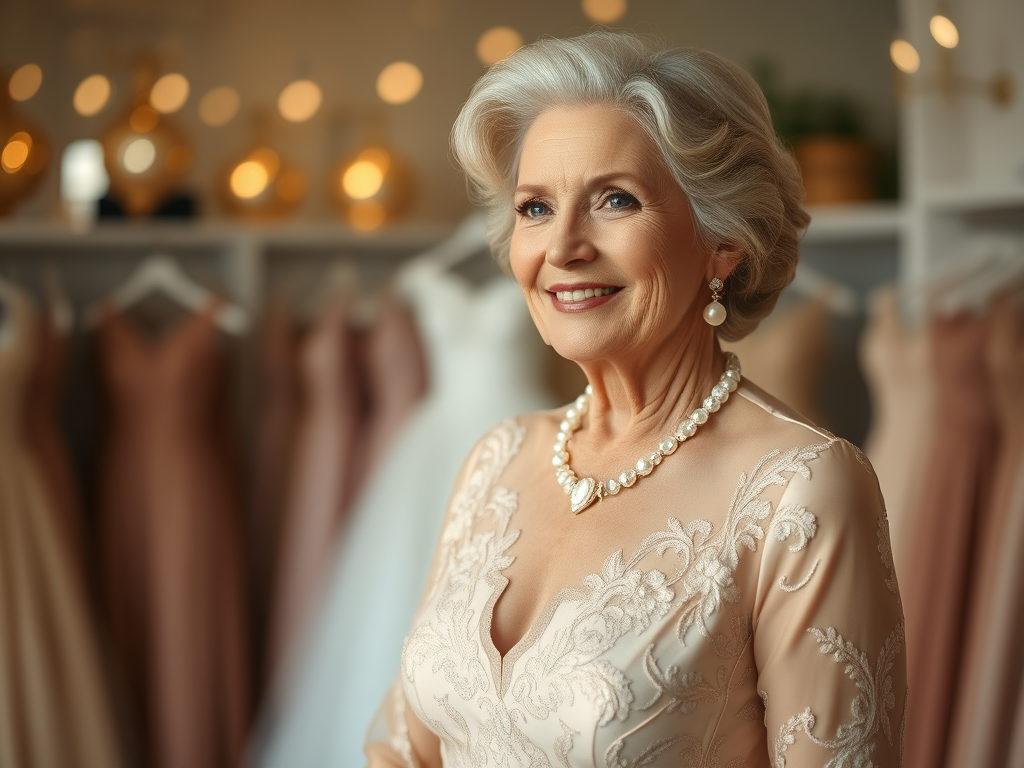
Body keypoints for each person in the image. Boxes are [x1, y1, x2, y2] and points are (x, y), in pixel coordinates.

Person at [364, 30, 906, 767]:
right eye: (534, 208)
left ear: (723, 239)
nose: (562, 248)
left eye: (614, 200)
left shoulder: (802, 490)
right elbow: (404, 746)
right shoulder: (497, 457)